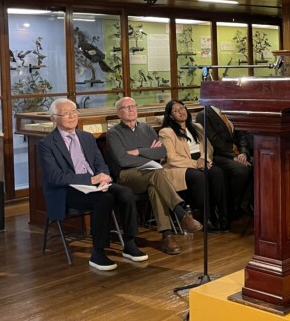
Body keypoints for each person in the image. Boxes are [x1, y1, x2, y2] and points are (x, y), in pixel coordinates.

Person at [38, 98, 147, 271]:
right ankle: (98, 252)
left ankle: (129, 243)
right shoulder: (47, 144)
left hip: (94, 184)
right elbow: (55, 177)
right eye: (66, 113)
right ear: (53, 119)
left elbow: (100, 163)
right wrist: (90, 180)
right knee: (103, 200)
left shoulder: (86, 137)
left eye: (74, 112)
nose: (71, 116)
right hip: (67, 190)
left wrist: (103, 176)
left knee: (126, 193)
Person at [107, 97, 203, 255]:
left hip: (151, 173)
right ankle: (181, 214)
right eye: (126, 108)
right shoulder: (113, 134)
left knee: (155, 187)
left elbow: (161, 152)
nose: (131, 110)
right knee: (157, 174)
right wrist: (148, 153)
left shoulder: (147, 129)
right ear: (119, 113)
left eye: (133, 106)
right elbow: (123, 160)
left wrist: (139, 151)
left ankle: (167, 236)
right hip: (126, 176)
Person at [159, 100, 230, 233]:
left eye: (182, 108)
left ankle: (222, 217)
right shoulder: (166, 132)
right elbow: (172, 158)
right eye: (176, 110)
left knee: (217, 173)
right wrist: (195, 164)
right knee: (199, 176)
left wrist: (204, 159)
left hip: (201, 161)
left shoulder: (198, 127)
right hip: (180, 167)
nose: (181, 111)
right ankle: (205, 218)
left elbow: (208, 148)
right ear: (170, 116)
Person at [196, 106, 254, 219]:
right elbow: (214, 141)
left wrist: (243, 153)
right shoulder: (203, 115)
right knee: (241, 170)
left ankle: (244, 204)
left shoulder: (230, 110)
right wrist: (234, 156)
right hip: (219, 155)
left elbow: (241, 135)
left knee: (259, 165)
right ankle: (231, 206)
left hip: (238, 153)